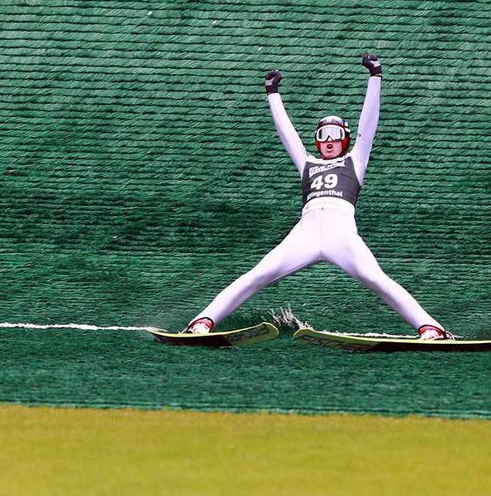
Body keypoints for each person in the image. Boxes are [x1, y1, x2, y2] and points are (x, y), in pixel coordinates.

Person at [183, 53, 448, 339]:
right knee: (257, 275)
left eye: (335, 133)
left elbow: (368, 124)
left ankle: (432, 328)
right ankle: (201, 323)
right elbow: (288, 134)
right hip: (304, 235)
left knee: (376, 278)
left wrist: (375, 77)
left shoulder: (355, 160)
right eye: (323, 134)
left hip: (342, 236)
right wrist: (272, 93)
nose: (329, 140)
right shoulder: (307, 163)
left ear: (345, 138)